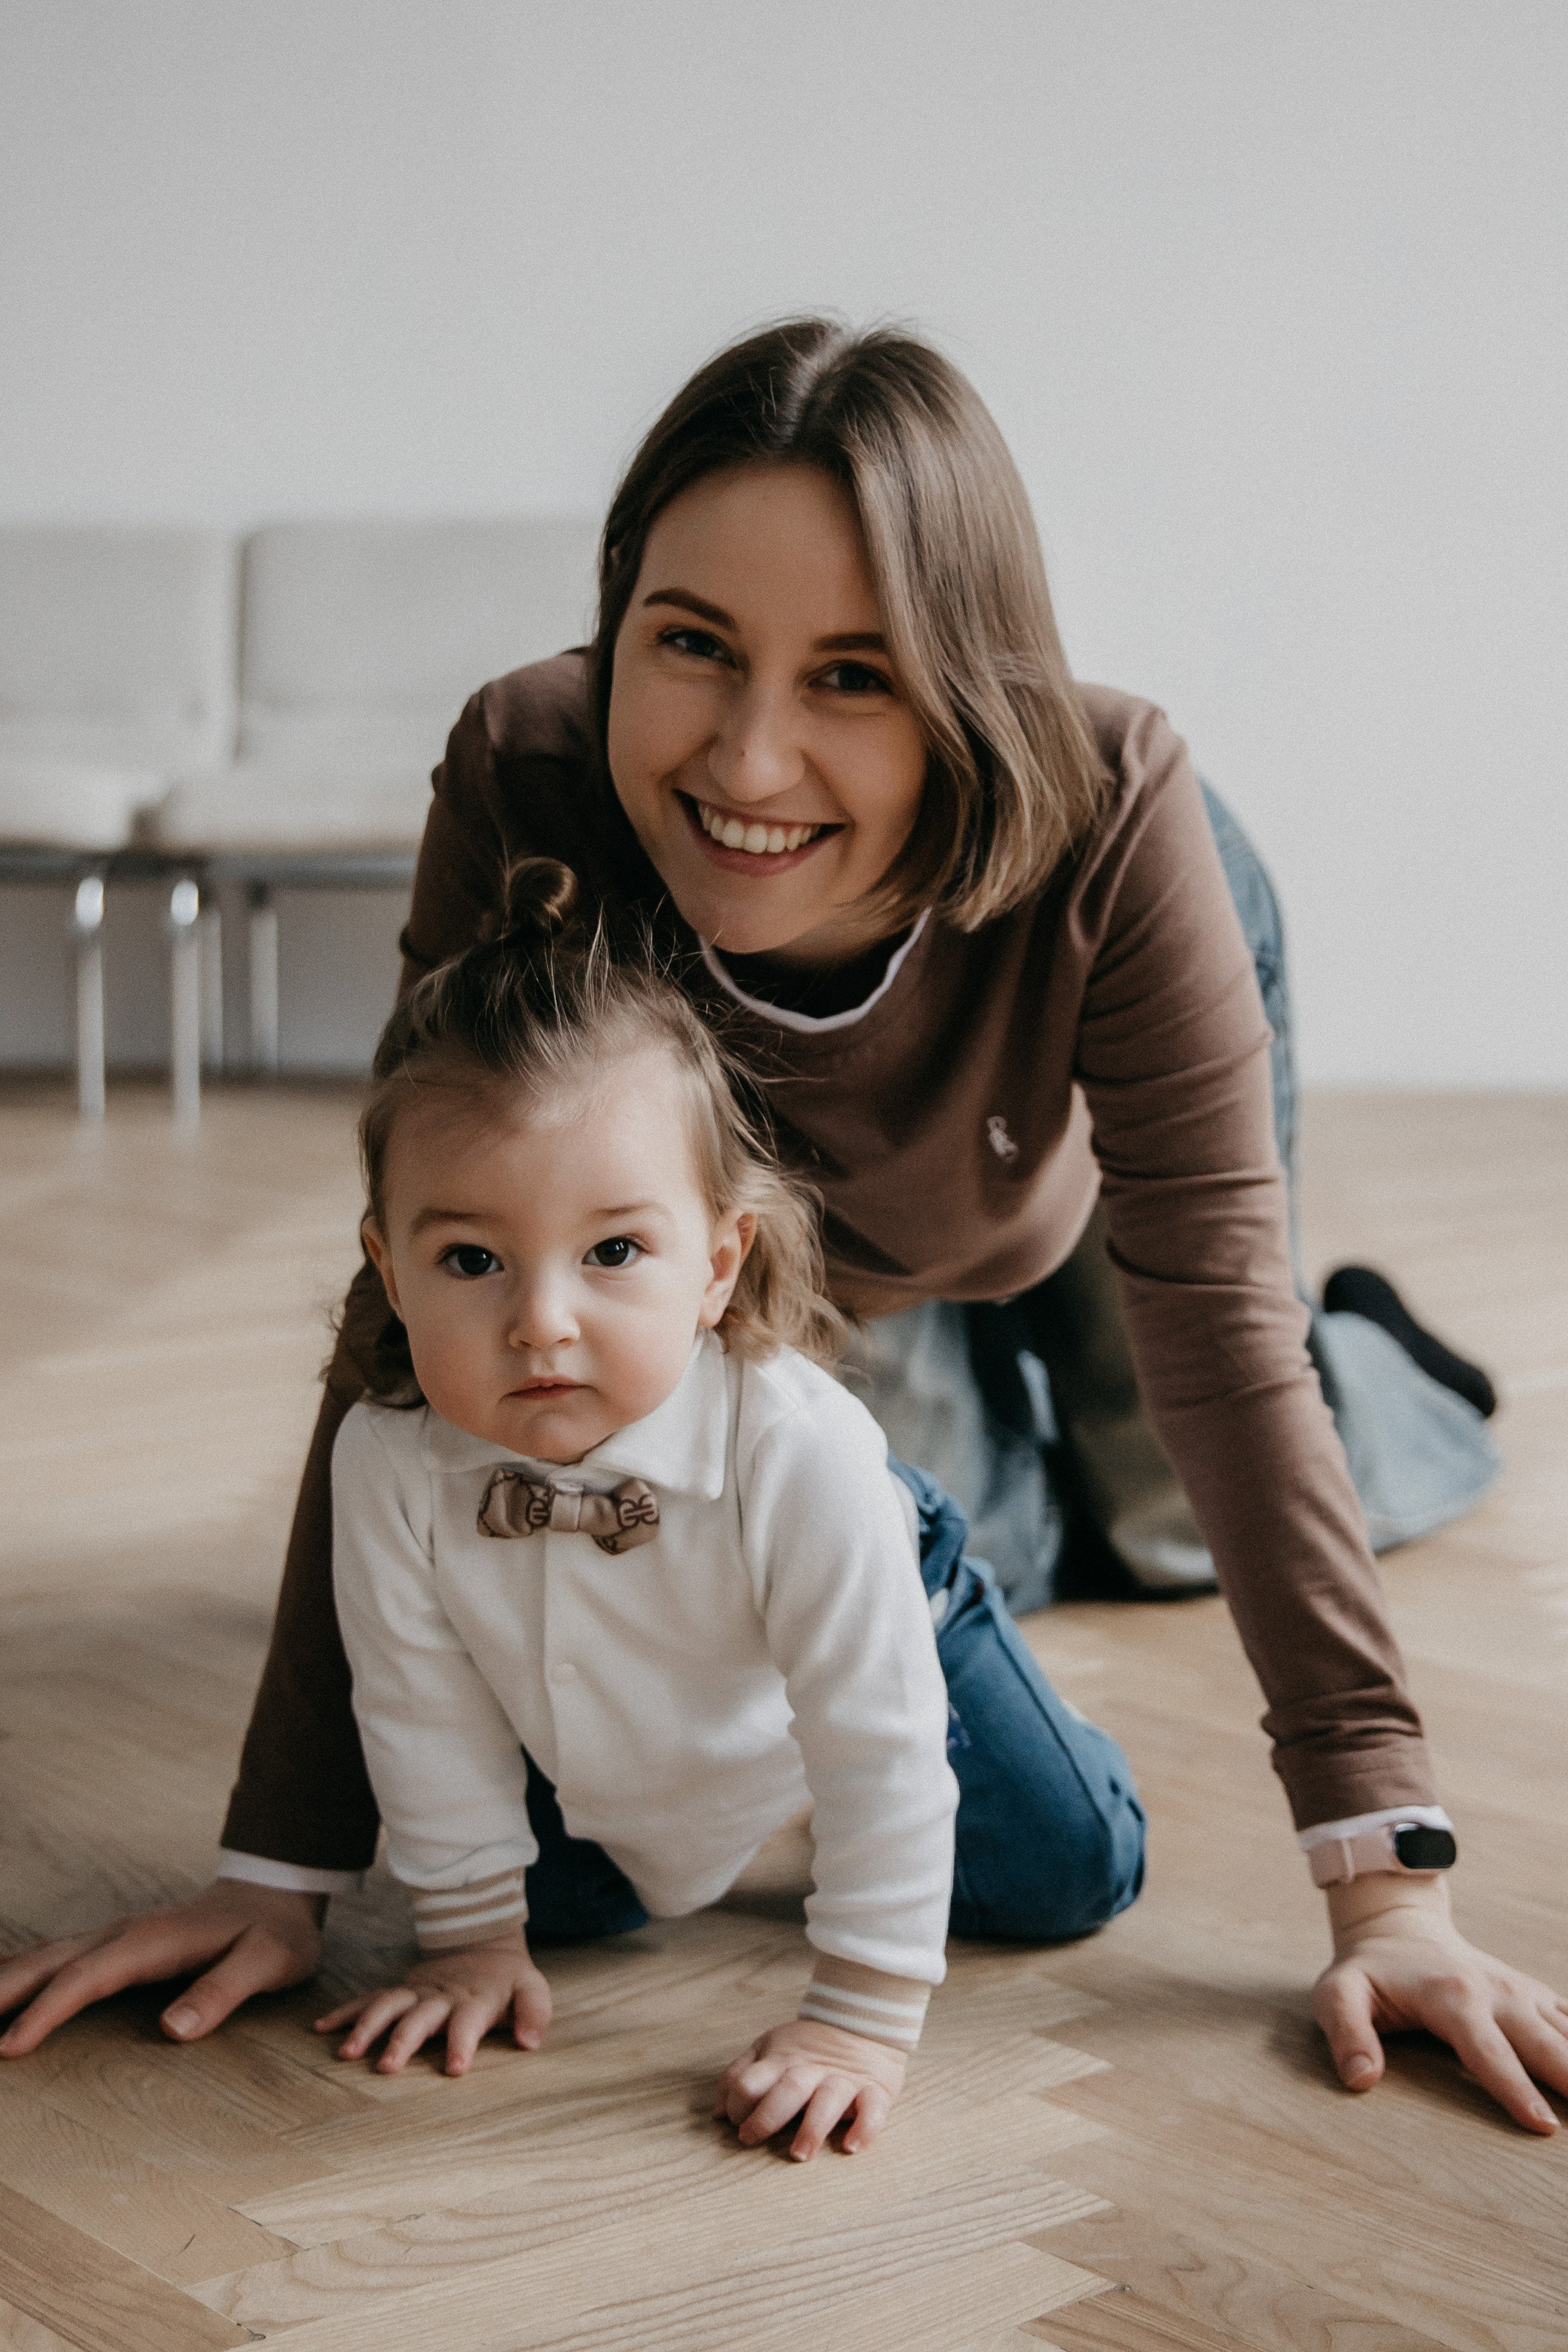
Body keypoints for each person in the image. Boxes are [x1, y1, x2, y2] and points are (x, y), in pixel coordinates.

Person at [2, 320, 1563, 2136]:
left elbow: (1217, 1332)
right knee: (897, 1534)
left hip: (1049, 1183)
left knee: (1172, 1502)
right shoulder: (530, 773)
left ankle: (1386, 1358)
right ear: (617, 621)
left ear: (966, 680)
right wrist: (277, 1868)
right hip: (800, 1255)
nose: (748, 757)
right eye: (690, 647)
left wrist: (1391, 1887)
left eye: (856, 675)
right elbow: (414, 1303)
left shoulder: (1124, 810)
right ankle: (998, 1403)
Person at [305, 856, 1141, 2160]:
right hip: (634, 1711)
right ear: (389, 1267)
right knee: (558, 1909)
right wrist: (474, 1937)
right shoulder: (385, 1458)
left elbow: (871, 1738)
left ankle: (1012, 1563)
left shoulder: (799, 1450)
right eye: (470, 1260)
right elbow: (416, 1702)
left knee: (1065, 1872)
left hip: (884, 1602)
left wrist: (860, 2016)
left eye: (615, 1252)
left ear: (719, 1262)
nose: (540, 1323)